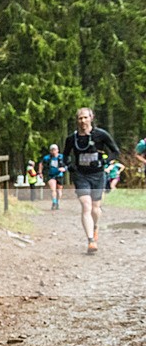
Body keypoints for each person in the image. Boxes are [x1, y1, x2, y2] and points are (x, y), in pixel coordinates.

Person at [62, 107, 120, 254]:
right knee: (86, 205)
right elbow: (65, 156)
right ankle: (90, 241)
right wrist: (70, 166)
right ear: (77, 120)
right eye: (80, 118)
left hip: (98, 175)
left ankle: (95, 228)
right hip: (81, 175)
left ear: (91, 118)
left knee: (95, 208)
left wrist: (104, 162)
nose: (83, 121)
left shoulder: (101, 135)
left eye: (85, 118)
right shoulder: (72, 138)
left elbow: (115, 151)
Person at [39, 144, 66, 209]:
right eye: (52, 150)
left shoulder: (62, 157)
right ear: (50, 151)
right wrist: (40, 172)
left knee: (59, 191)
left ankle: (57, 202)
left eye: (55, 150)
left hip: (59, 175)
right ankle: (54, 202)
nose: (53, 151)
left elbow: (67, 164)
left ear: (57, 150)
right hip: (51, 175)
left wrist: (64, 168)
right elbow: (41, 164)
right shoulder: (47, 158)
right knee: (53, 189)